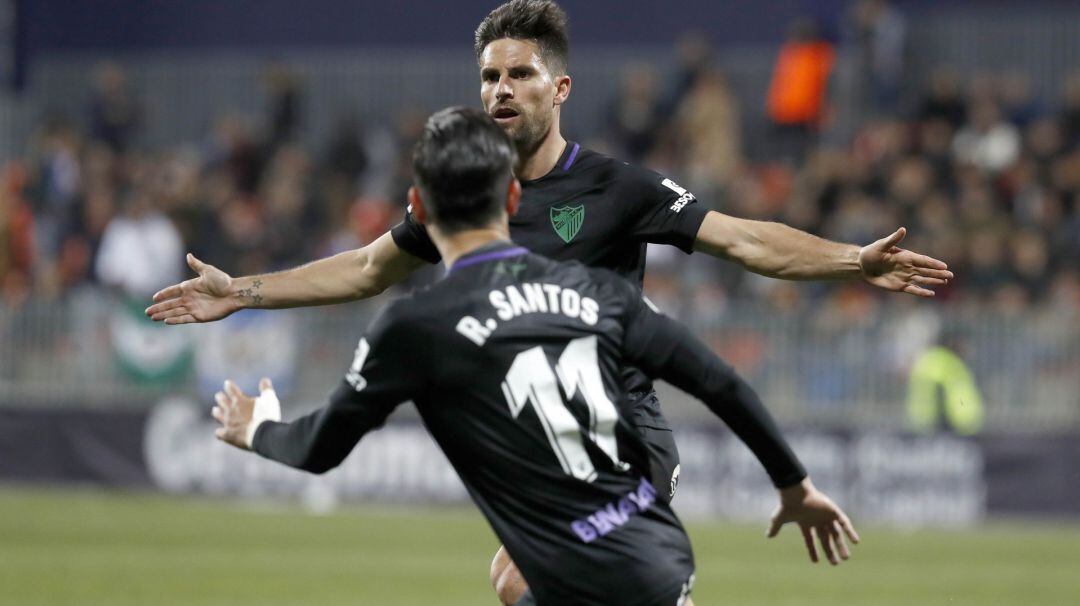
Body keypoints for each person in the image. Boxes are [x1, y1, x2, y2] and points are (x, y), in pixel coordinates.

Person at [149, 1, 942, 601]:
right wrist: (240, 290)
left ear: (559, 87)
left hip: (621, 436)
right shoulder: (463, 197)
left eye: (519, 73)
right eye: (490, 76)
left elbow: (743, 240)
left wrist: (851, 260)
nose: (501, 89)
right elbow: (365, 268)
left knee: (517, 583)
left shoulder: (614, 187)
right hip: (531, 446)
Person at [211, 106, 859, 606]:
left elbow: (320, 447)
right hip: (656, 552)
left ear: (417, 209)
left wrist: (256, 426)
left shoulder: (413, 325)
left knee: (515, 578)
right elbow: (720, 381)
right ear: (513, 201)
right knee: (513, 580)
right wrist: (793, 482)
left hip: (599, 545)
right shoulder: (599, 291)